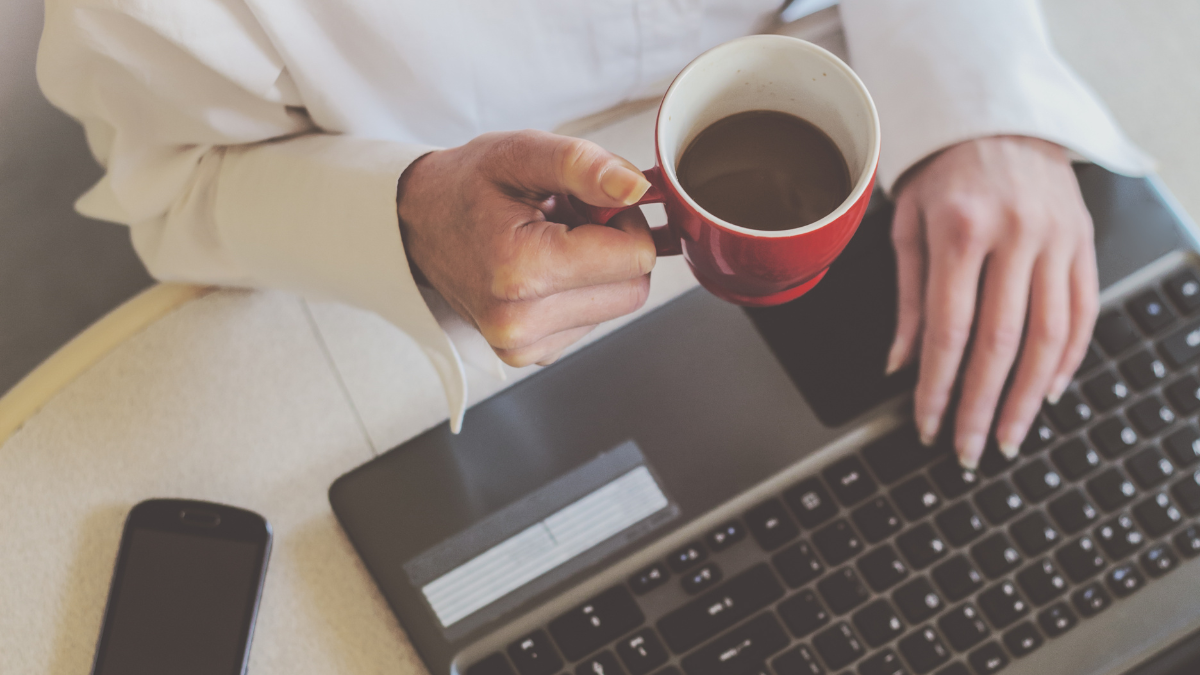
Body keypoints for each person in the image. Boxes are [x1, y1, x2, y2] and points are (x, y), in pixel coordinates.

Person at [37, 0, 1151, 469]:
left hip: (871, 91)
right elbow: (175, 185)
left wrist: (976, 87)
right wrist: (405, 215)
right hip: (444, 340)